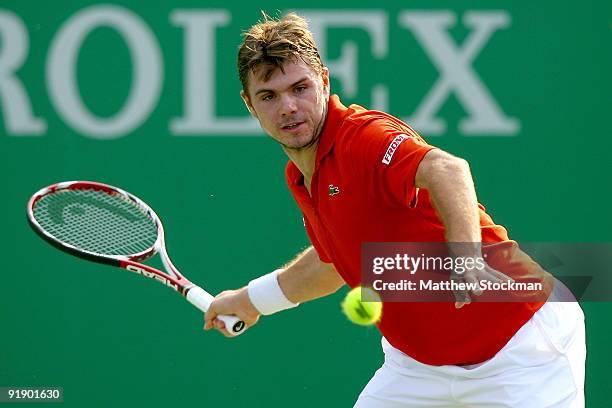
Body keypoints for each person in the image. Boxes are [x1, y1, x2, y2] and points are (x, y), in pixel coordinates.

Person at [204, 12, 586, 407]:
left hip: (523, 351)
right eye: (269, 96)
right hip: (418, 370)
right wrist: (252, 300)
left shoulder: (364, 137)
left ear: (324, 81)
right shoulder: (301, 176)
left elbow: (448, 169)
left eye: (300, 88)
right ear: (249, 104)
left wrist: (465, 259)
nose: (288, 107)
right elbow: (331, 264)